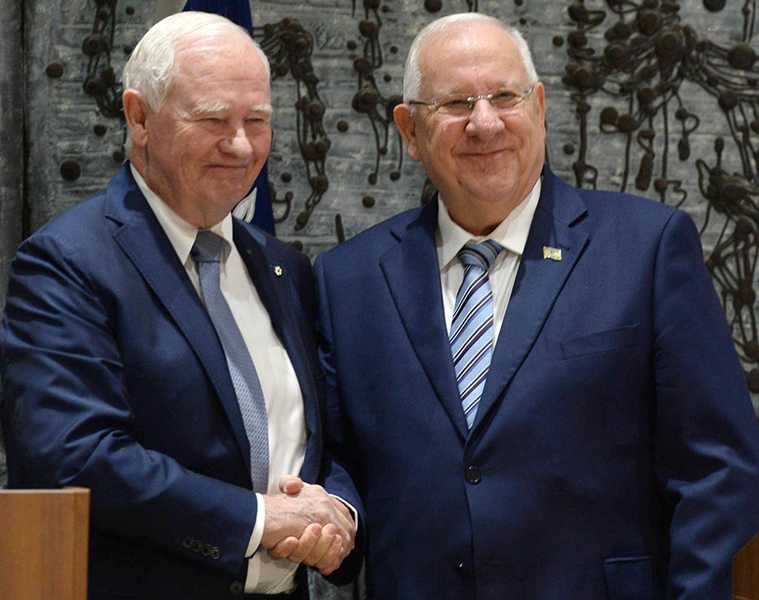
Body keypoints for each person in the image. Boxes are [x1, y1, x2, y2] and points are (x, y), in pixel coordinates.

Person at [314, 12, 759, 599]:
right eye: (455, 103)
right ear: (409, 131)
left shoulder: (646, 249)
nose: (484, 122)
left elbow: (718, 468)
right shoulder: (348, 279)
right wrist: (335, 521)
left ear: (540, 108)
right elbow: (336, 459)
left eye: (505, 96)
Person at [0, 12, 360, 600]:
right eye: (214, 119)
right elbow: (76, 458)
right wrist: (261, 521)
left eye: (258, 121)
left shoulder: (284, 268)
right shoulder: (67, 263)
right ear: (139, 116)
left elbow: (323, 437)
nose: (241, 145)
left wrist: (337, 514)